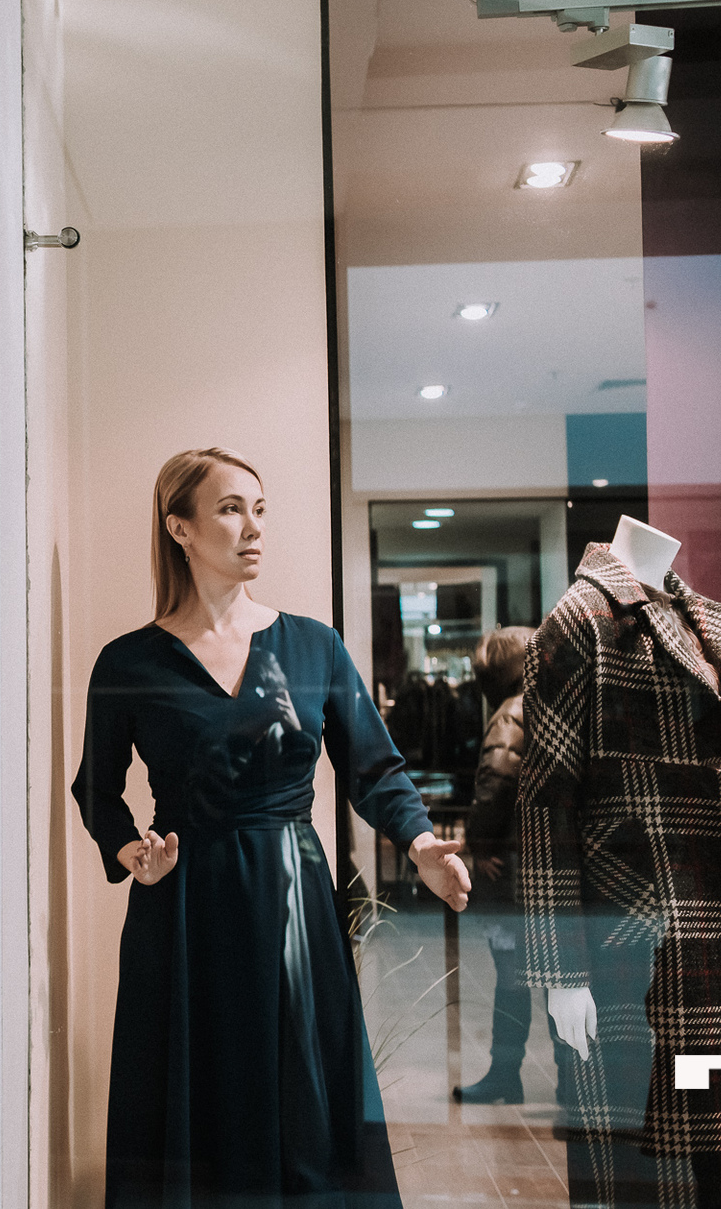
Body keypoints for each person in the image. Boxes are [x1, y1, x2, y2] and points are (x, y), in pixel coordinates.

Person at [72, 447, 471, 1208]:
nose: (253, 527)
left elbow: (373, 768)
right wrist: (129, 850)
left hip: (293, 899)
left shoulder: (313, 646)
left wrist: (420, 842)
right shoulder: (128, 663)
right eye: (231, 509)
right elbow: (96, 790)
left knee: (303, 1091)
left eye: (259, 510)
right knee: (197, 1084)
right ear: (180, 528)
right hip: (182, 902)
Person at [452, 626, 536, 1105]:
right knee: (555, 978)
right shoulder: (547, 704)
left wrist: (479, 844)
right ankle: (569, 1087)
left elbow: (496, 782)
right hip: (539, 864)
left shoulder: (511, 713)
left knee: (512, 977)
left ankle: (505, 1074)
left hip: (511, 869)